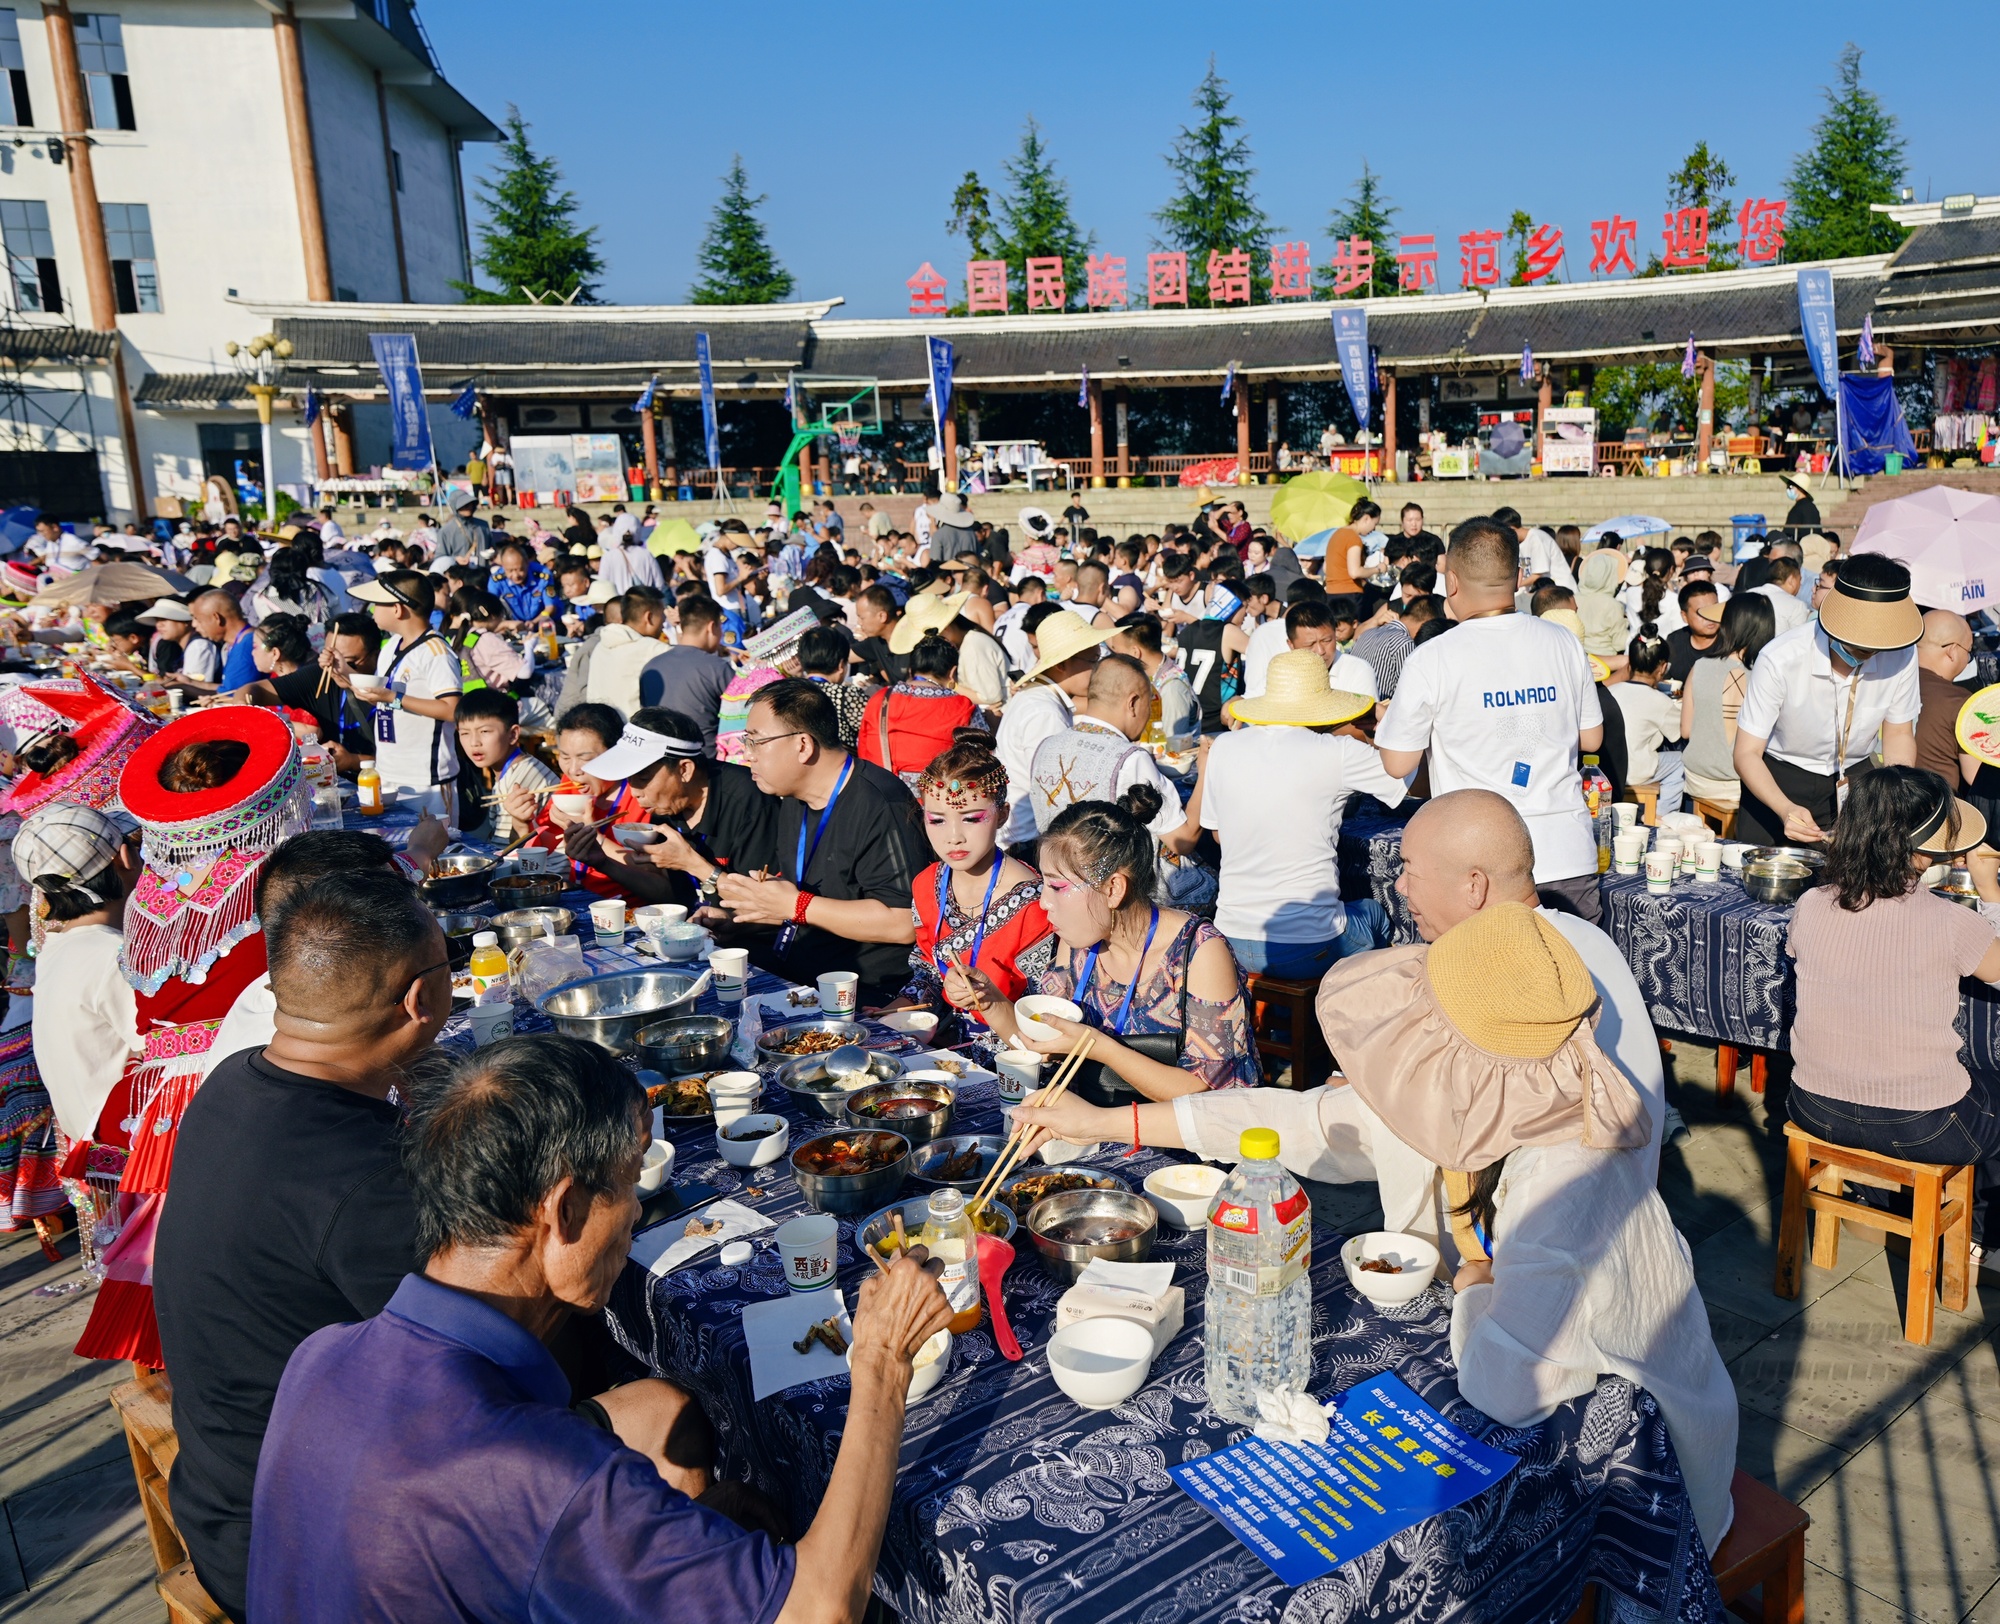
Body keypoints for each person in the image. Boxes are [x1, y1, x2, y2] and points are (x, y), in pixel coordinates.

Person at [1019, 899, 1731, 1550]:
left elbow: (1510, 1389)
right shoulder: (1466, 1094)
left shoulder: (1571, 1176)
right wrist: (1102, 1121)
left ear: (1477, 1062)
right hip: (1498, 1372)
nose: (1417, 1052)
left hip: (1638, 1475)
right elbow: (1294, 1121)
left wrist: (1476, 1279)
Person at [247, 1031, 951, 1622]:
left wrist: (674, 1538)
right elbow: (819, 1609)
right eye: (627, 1182)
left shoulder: (321, 1356)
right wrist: (881, 1360)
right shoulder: (542, 1477)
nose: (637, 1212)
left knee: (663, 1409)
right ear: (567, 1211)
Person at [153, 869, 450, 1622]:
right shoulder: (363, 1182)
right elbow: (483, 1366)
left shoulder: (234, 1080)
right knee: (645, 1420)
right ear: (421, 999)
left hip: (223, 1491)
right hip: (306, 1551)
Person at [1378, 517, 1606, 922]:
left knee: (1483, 965)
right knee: (1572, 961)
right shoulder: (1563, 642)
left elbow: (1397, 763)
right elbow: (1591, 738)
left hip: (1479, 868)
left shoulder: (1433, 657)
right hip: (1566, 849)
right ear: (1518, 576)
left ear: (1451, 582)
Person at [968, 790, 1260, 1098]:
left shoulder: (1197, 953)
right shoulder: (1079, 943)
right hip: (1090, 1119)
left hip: (1170, 1128)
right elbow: (1044, 1044)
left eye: (1056, 886)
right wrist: (989, 1001)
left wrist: (1098, 1047)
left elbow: (1209, 1092)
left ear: (1113, 888)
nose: (1043, 902)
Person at [1193, 649, 1405, 978]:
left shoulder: (1224, 746)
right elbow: (1408, 778)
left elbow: (1219, 835)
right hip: (1309, 945)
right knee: (1373, 912)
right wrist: (1383, 723)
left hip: (1229, 939)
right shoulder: (1338, 752)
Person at [720, 678, 928, 1006]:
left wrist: (796, 906)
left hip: (863, 994)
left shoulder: (880, 803)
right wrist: (746, 915)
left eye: (756, 742)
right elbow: (813, 898)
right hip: (798, 977)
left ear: (803, 745)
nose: (747, 756)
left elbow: (903, 922)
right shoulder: (794, 797)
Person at [10, 805, 142, 1254]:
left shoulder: (59, 947)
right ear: (124, 858)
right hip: (128, 1150)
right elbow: (163, 1051)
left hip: (91, 1146)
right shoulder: (111, 955)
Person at [1733, 553, 1921, 846]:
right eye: (1859, 647)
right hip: (1777, 779)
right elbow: (1746, 753)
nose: (1870, 653)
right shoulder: (1781, 658)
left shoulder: (1902, 653)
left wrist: (1893, 793)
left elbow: (1898, 732)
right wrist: (1784, 808)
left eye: (1877, 648)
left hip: (1856, 778)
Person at [890, 732, 1055, 1016]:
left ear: (1002, 814)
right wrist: (894, 1012)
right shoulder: (926, 884)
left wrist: (989, 1002)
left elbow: (1041, 1008)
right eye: (937, 820)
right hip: (939, 1035)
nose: (954, 837)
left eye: (971, 818)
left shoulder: (1036, 902)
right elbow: (928, 974)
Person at [582, 710, 779, 913]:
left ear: (684, 770)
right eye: (628, 778)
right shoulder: (666, 805)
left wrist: (691, 864)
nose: (634, 792)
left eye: (643, 778)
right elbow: (670, 893)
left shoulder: (750, 802)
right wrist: (603, 863)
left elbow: (764, 906)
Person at [1027, 654, 1187, 852]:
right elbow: (1183, 840)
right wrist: (1206, 768)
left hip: (1053, 865)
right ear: (1133, 703)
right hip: (1112, 869)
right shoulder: (1131, 759)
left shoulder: (1046, 745)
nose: (1148, 715)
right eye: (1149, 704)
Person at [994, 609, 1112, 855]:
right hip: (1028, 842)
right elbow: (1057, 791)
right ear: (1061, 664)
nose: (1098, 670)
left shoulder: (1038, 697)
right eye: (1093, 661)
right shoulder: (1045, 713)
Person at [346, 571, 462, 817]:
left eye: (378, 603)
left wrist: (393, 698)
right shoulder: (391, 646)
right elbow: (382, 695)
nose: (372, 610)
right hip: (388, 771)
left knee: (433, 841)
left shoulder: (436, 652)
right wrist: (343, 673)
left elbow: (452, 710)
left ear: (397, 609)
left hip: (426, 780)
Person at [858, 628, 984, 782]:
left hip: (881, 788)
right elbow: (981, 755)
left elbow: (863, 746)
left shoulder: (881, 698)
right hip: (937, 793)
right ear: (952, 673)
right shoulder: (963, 706)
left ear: (911, 670)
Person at [455, 687, 559, 843]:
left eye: (484, 731)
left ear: (513, 734)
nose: (474, 742)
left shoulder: (520, 778)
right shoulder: (516, 767)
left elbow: (504, 848)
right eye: (464, 733)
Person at [636, 595, 735, 752]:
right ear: (711, 627)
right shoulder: (717, 668)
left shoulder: (651, 666)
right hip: (705, 758)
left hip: (659, 755)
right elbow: (738, 716)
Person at [1606, 630, 1684, 812]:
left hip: (1611, 769)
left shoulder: (1610, 691)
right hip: (1636, 771)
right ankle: (1663, 814)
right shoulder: (1659, 700)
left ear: (1629, 664)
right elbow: (1679, 733)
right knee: (1681, 760)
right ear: (1662, 668)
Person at [1913, 609, 1977, 788]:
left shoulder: (1889, 682)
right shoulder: (1958, 701)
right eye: (1969, 652)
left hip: (1883, 794)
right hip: (1937, 800)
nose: (1967, 658)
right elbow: (1974, 775)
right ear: (1952, 651)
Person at [585, 587, 669, 718]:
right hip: (633, 728)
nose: (665, 620)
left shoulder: (600, 646)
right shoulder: (653, 650)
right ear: (649, 617)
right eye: (662, 614)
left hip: (600, 724)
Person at [1574, 549, 1630, 668]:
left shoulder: (1573, 599)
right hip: (1604, 664)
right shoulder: (1612, 605)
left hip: (1577, 660)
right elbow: (1620, 643)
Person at [1665, 582, 1722, 684]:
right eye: (1701, 612)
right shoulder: (1674, 642)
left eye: (1714, 609)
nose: (1710, 616)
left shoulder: (1733, 640)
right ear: (1684, 616)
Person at [1751, 555, 1812, 634]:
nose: (1800, 584)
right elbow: (1798, 637)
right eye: (1799, 579)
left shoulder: (1746, 595)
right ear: (1791, 580)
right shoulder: (1797, 606)